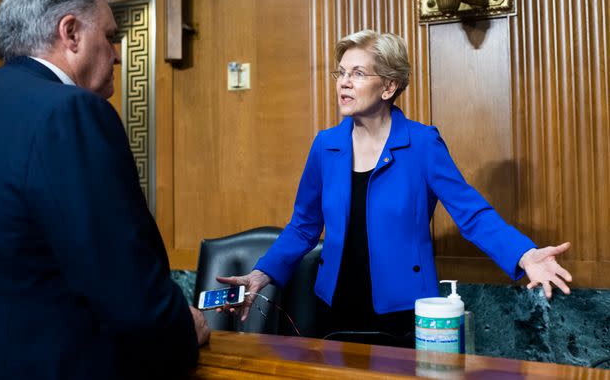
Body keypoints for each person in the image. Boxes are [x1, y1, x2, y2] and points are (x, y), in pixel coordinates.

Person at [217, 29, 572, 347]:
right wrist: (262, 274)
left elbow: (472, 214)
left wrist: (524, 255)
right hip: (334, 307)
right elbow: (303, 226)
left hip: (404, 311)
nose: (343, 82)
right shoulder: (326, 146)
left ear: (389, 86)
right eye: (341, 72)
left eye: (357, 73)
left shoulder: (422, 143)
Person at [0, 0, 209, 380]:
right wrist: (183, 330)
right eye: (109, 35)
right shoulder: (70, 111)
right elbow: (125, 287)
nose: (118, 53)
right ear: (70, 33)